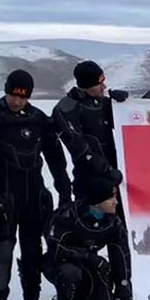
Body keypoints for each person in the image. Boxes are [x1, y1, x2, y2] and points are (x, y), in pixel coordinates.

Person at [0, 70, 71, 300]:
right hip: (5, 193)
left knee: (33, 246)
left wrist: (64, 190)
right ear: (6, 91)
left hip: (34, 192)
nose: (17, 101)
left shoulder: (39, 119)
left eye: (23, 97)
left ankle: (32, 299)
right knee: (3, 247)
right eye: (14, 95)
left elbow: (56, 159)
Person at [43, 177, 135, 300]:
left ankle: (82, 298)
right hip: (59, 263)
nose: (116, 202)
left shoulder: (113, 222)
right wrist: (89, 257)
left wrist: (125, 294)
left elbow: (121, 257)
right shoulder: (67, 216)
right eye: (111, 198)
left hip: (89, 266)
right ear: (98, 202)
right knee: (70, 272)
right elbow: (55, 251)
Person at [50, 60, 127, 200]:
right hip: (89, 184)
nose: (104, 86)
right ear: (86, 86)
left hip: (115, 178)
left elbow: (127, 128)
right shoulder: (67, 109)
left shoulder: (102, 103)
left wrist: (123, 106)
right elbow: (79, 148)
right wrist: (107, 170)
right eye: (99, 83)